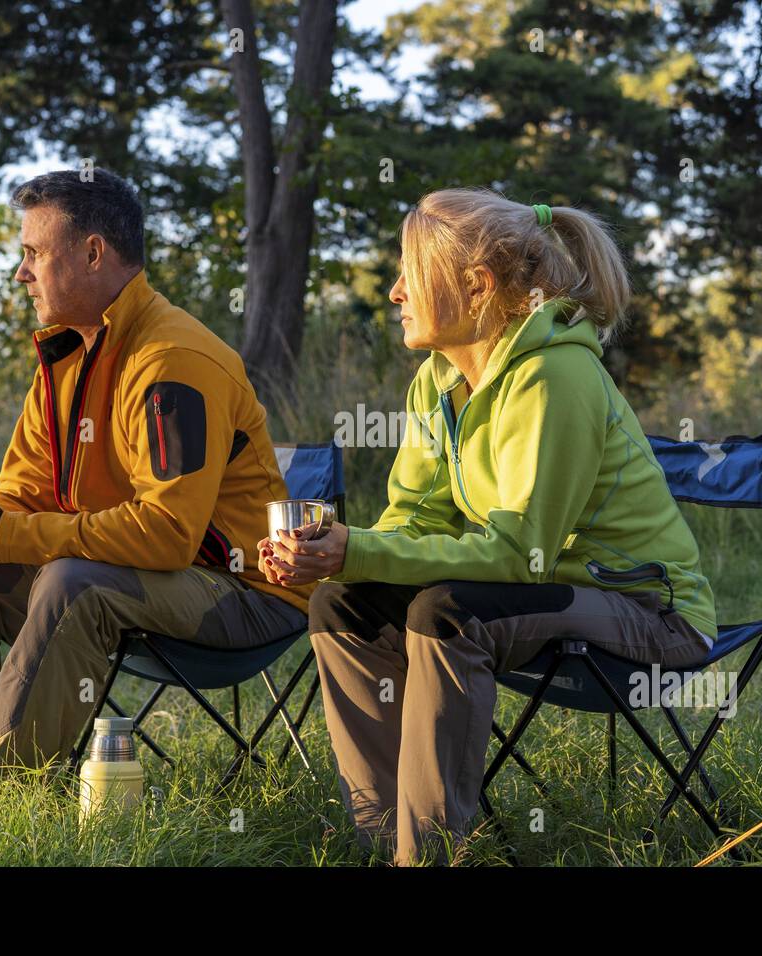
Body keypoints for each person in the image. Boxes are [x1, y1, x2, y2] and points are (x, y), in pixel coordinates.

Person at [259, 188, 718, 865]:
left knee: (447, 614)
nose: (394, 292)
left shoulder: (554, 377)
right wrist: (339, 556)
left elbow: (519, 554)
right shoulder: (437, 380)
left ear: (476, 286)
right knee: (343, 603)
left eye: (410, 273)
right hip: (542, 602)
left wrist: (357, 548)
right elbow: (416, 517)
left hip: (649, 614)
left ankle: (429, 854)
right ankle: (383, 840)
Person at [0, 168, 310, 810]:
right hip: (138, 580)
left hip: (244, 592)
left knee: (72, 582)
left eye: (34, 253)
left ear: (93, 253)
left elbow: (169, 536)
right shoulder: (67, 357)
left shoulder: (171, 363)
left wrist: (7, 534)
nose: (21, 273)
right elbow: (26, 487)